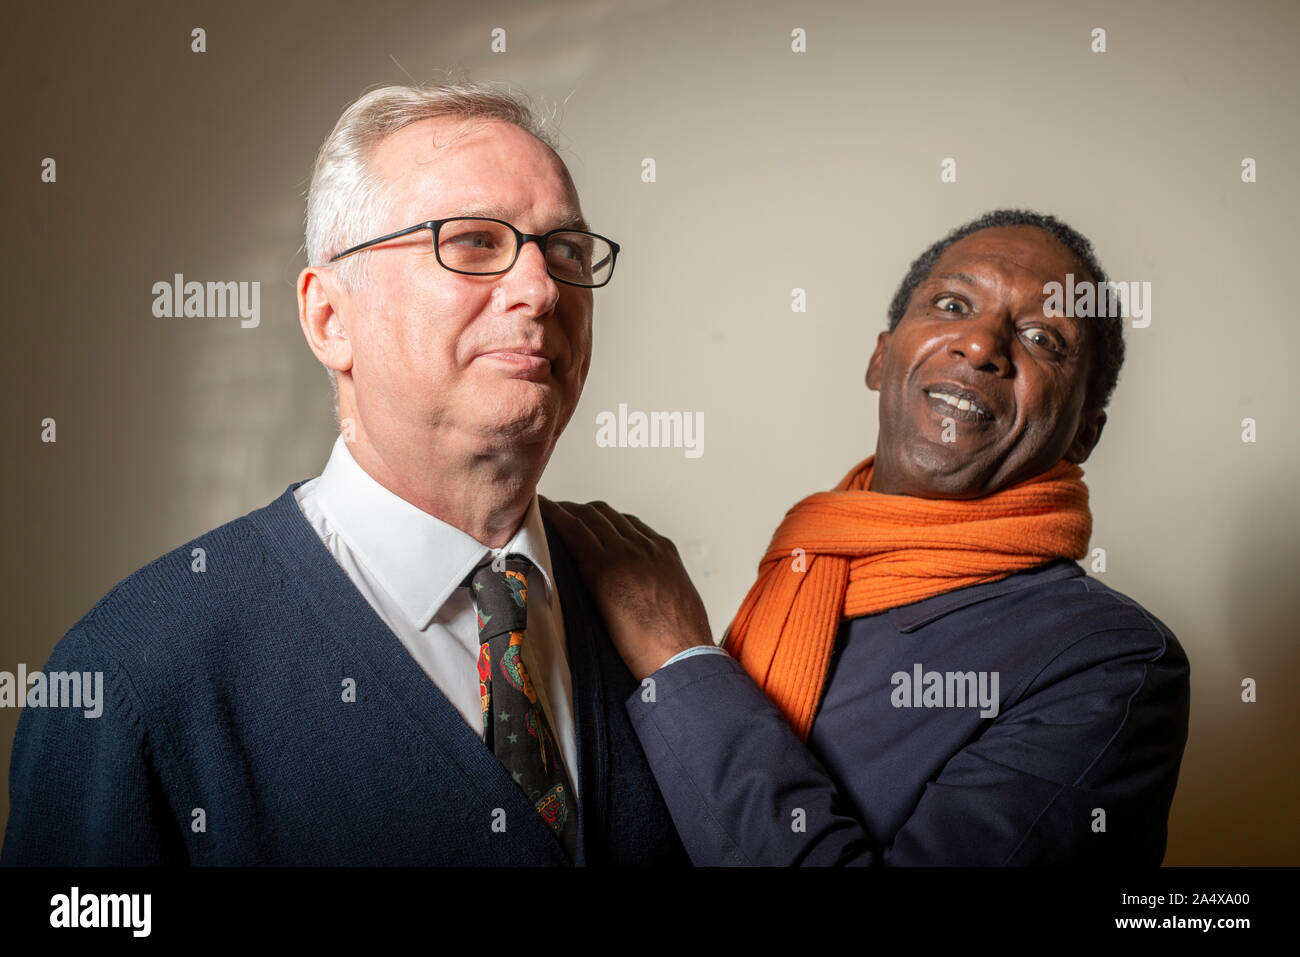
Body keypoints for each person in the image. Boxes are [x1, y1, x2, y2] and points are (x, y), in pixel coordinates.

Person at [2, 82, 686, 866]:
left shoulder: (654, 633)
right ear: (330, 318)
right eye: (471, 242)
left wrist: (689, 668)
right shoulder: (134, 673)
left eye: (565, 251)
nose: (540, 289)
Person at [543, 210, 1191, 866]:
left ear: (1084, 432)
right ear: (882, 357)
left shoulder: (1114, 663)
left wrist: (680, 658)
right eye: (951, 303)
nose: (981, 344)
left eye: (1043, 337)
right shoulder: (808, 564)